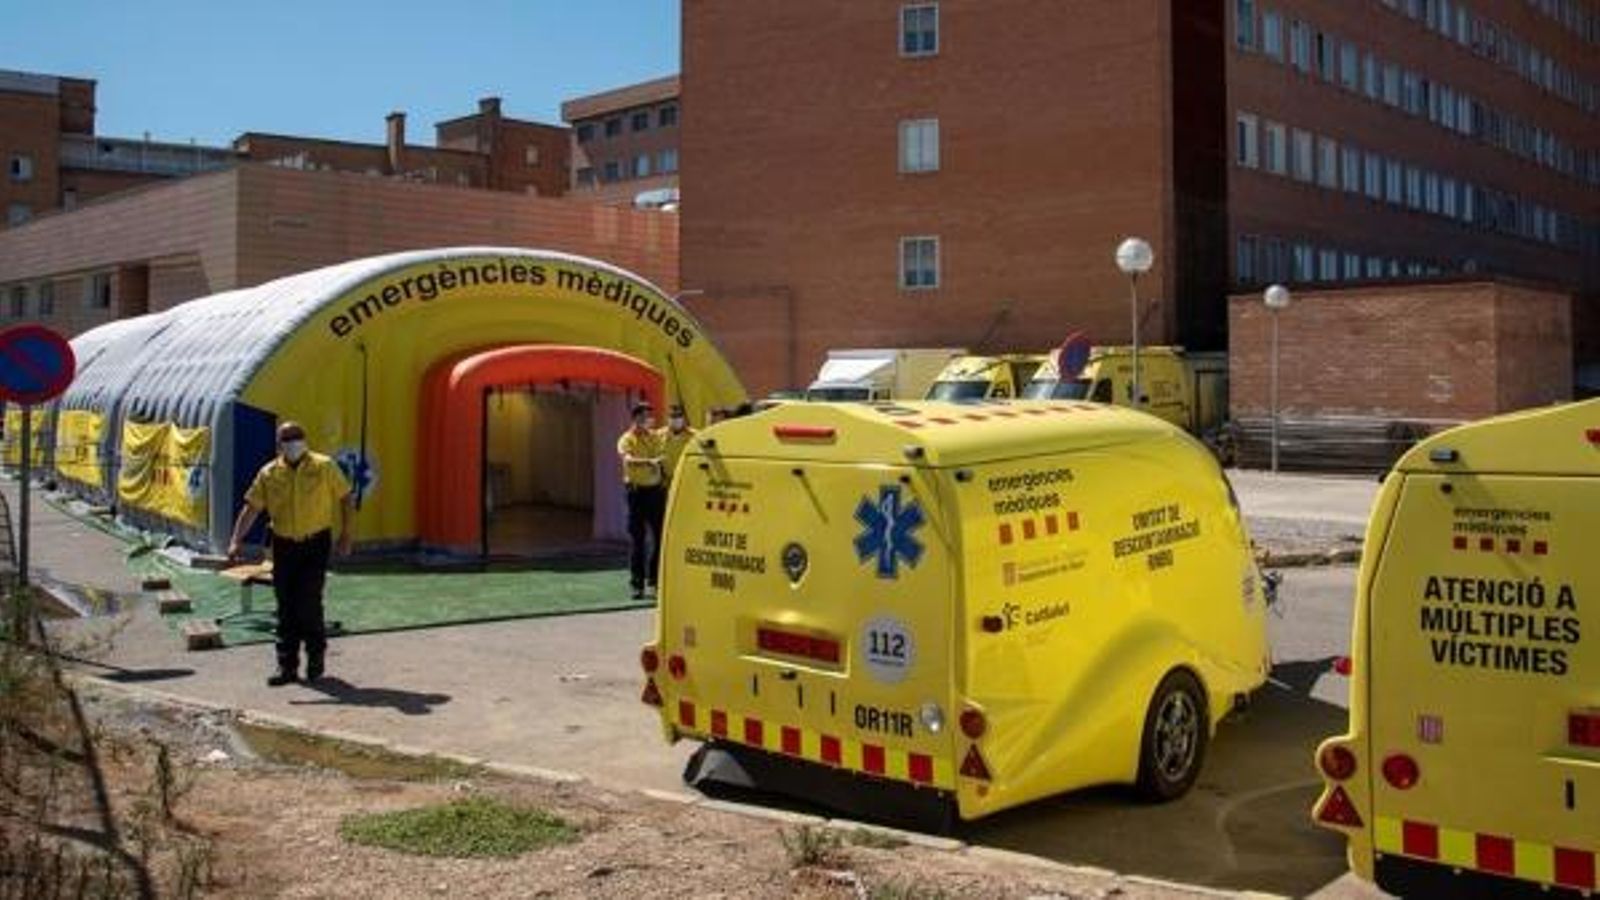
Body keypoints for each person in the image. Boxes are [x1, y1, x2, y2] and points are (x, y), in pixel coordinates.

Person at [227, 422, 353, 687]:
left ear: (305, 439)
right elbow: (251, 508)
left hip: (315, 542)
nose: (293, 442)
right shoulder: (269, 473)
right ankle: (286, 666)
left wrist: (346, 534)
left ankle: (316, 658)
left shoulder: (323, 466)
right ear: (278, 444)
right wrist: (235, 540)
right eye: (287, 438)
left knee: (308, 601)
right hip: (284, 545)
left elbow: (345, 497)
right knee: (286, 606)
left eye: (297, 437)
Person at [617, 401, 666, 599]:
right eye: (645, 416)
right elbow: (627, 460)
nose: (649, 420)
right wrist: (648, 462)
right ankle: (637, 584)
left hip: (654, 492)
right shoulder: (626, 439)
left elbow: (661, 456)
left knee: (659, 537)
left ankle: (654, 582)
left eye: (650, 416)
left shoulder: (654, 437)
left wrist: (655, 464)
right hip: (636, 493)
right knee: (637, 540)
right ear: (636, 418)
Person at [658, 403, 697, 489]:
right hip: (665, 481)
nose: (675, 419)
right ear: (667, 418)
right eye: (672, 416)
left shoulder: (695, 435)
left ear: (684, 418)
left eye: (678, 416)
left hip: (687, 480)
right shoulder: (658, 435)